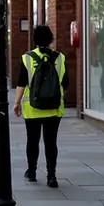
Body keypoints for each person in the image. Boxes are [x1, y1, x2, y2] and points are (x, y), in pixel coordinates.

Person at [13, 25, 67, 188]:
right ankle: (52, 175)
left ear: (35, 39)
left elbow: (21, 83)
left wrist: (17, 103)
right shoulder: (60, 58)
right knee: (51, 141)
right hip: (54, 107)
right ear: (51, 39)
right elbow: (65, 83)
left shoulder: (27, 58)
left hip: (32, 107)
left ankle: (32, 172)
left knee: (32, 140)